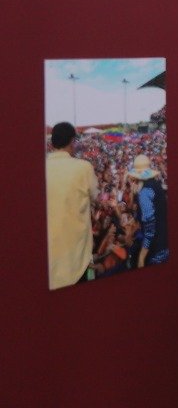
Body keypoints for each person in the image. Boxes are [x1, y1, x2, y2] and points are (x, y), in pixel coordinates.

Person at [46, 122, 98, 289]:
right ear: (72, 141)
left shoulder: (41, 167)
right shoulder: (83, 167)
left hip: (49, 256)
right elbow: (96, 196)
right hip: (75, 257)